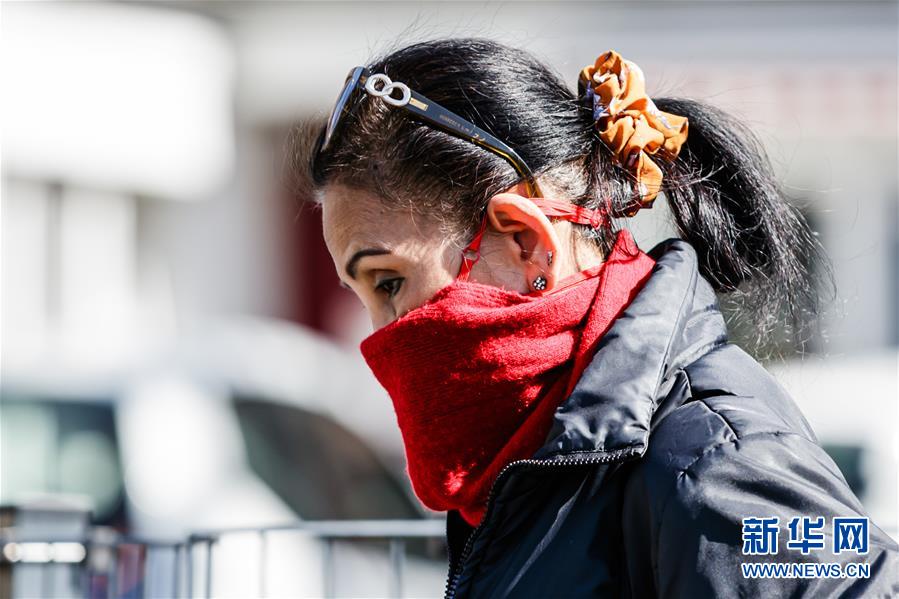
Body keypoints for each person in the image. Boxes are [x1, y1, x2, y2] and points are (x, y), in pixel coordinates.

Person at [287, 38, 898, 598]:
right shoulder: (531, 453)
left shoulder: (719, 462)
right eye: (363, 295)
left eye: (389, 283)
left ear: (527, 243)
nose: (382, 335)